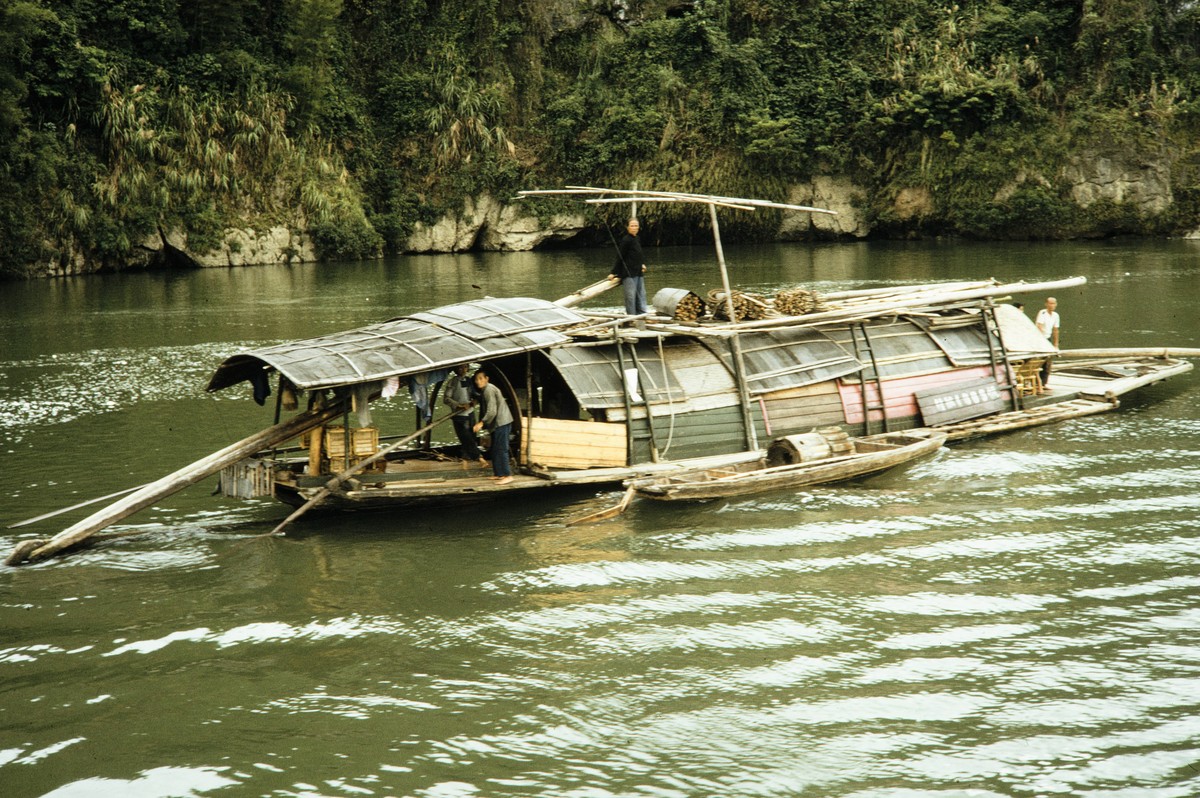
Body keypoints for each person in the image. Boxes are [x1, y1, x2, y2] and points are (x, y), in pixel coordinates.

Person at [472, 370, 514, 484]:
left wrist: (481, 423)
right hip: (497, 424)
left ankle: (508, 475)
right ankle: (499, 474)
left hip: (502, 422)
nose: (478, 381)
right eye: (476, 379)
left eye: (481, 378)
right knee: (495, 449)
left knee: (501, 449)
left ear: (487, 379)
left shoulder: (489, 389)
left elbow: (492, 411)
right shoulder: (485, 391)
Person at [442, 363, 485, 468]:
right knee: (466, 438)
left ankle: (465, 461)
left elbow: (475, 395)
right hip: (459, 416)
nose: (463, 369)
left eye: (465, 367)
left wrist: (474, 402)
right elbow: (446, 398)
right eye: (460, 367)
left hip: (470, 413)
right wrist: (458, 405)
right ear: (456, 369)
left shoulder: (470, 380)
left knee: (472, 437)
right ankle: (479, 458)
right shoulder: (453, 382)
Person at [608, 218, 649, 316]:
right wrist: (613, 272)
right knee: (631, 296)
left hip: (638, 271)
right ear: (627, 227)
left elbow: (638, 254)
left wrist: (642, 264)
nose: (634, 228)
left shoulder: (637, 238)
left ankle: (642, 314)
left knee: (641, 294)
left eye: (636, 226)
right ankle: (631, 316)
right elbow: (620, 256)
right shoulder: (626, 240)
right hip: (629, 273)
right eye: (632, 226)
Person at [1034, 296, 1060, 389]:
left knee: (1048, 362)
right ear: (1046, 304)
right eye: (1050, 303)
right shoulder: (1042, 313)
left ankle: (1044, 383)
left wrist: (1056, 345)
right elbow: (1039, 327)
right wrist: (1043, 342)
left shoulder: (1056, 315)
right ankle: (1037, 383)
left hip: (1047, 339)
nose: (1052, 305)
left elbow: (1056, 330)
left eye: (1054, 303)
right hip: (1040, 339)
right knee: (1039, 361)